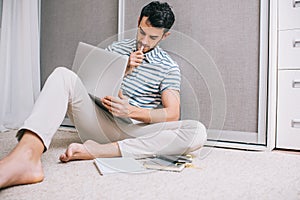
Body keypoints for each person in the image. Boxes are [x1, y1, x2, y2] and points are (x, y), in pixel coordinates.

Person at [0, 1, 207, 189]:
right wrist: (122, 71)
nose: (144, 41)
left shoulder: (168, 67)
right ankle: (27, 155)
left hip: (137, 132)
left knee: (197, 131)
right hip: (102, 122)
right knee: (63, 75)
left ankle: (99, 151)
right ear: (138, 22)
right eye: (142, 32)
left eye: (152, 37)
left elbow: (172, 113)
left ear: (165, 36)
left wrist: (132, 110)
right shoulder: (116, 48)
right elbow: (89, 83)